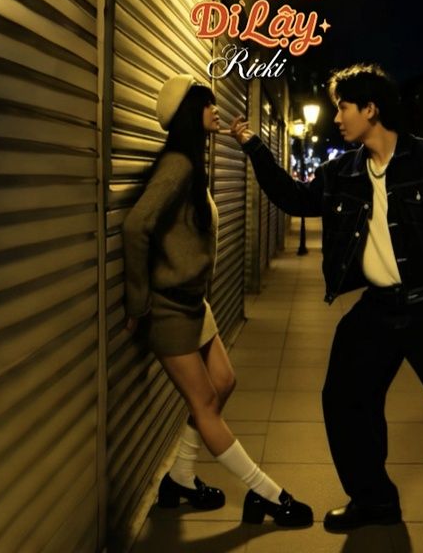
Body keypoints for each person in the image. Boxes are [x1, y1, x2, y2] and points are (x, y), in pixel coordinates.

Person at [230, 63, 423, 543]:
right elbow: (294, 199)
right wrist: (253, 145)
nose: (337, 118)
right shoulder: (343, 172)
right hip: (378, 308)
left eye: (343, 108)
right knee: (344, 398)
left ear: (371, 109)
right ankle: (374, 499)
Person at [123, 74, 312, 528]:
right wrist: (138, 303)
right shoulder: (178, 166)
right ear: (191, 113)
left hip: (193, 303)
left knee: (224, 382)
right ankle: (267, 494)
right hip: (168, 307)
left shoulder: (193, 161)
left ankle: (180, 479)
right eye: (207, 104)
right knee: (205, 400)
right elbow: (135, 226)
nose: (215, 109)